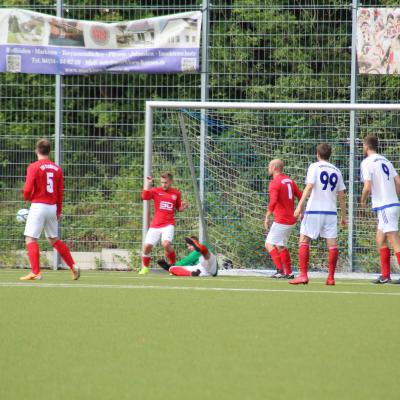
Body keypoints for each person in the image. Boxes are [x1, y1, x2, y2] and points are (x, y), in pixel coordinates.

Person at [20, 138, 80, 281]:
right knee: (53, 239)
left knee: (30, 238)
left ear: (37, 150)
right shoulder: (57, 168)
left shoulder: (33, 167)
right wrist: (58, 210)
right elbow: (60, 191)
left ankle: (36, 272)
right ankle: (73, 266)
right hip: (52, 207)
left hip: (38, 205)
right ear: (49, 151)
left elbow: (28, 189)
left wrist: (27, 197)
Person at [291, 143, 347, 286]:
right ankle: (330, 278)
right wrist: (343, 216)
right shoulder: (337, 170)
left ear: (317, 154)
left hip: (314, 209)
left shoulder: (314, 167)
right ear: (330, 154)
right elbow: (341, 195)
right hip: (331, 212)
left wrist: (299, 206)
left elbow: (309, 186)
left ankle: (303, 275)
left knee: (304, 240)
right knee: (332, 244)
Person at [360, 135, 400, 284]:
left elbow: (367, 186)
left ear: (365, 146)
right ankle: (385, 275)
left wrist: (362, 201)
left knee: (394, 239)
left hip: (385, 206)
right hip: (391, 204)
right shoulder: (386, 161)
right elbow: (398, 181)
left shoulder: (367, 162)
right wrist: (393, 196)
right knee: (380, 238)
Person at [139, 172, 188, 275]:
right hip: (156, 224)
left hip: (168, 224)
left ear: (170, 182)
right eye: (162, 182)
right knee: (147, 246)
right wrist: (147, 185)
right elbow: (144, 196)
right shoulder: (156, 191)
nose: (163, 185)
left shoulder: (176, 193)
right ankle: (145, 268)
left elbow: (178, 207)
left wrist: (181, 208)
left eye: (165, 182)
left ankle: (173, 266)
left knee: (166, 244)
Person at [264, 159, 302, 279]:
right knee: (280, 245)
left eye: (269, 166)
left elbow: (273, 201)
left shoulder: (275, 182)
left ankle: (280, 271)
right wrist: (302, 211)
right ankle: (289, 272)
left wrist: (267, 216)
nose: (268, 168)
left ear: (275, 167)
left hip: (282, 219)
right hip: (291, 219)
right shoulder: (289, 180)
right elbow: (301, 195)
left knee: (269, 244)